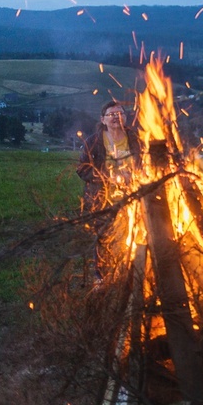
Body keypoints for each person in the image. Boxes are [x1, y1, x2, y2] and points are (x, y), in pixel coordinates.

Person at [76, 100, 141, 278]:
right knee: (103, 239)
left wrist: (135, 176)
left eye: (120, 113)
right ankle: (101, 277)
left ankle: (129, 274)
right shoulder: (94, 141)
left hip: (132, 198)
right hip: (103, 198)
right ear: (102, 119)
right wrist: (107, 177)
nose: (116, 117)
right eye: (111, 114)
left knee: (132, 236)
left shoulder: (135, 139)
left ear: (125, 118)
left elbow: (144, 163)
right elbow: (82, 169)